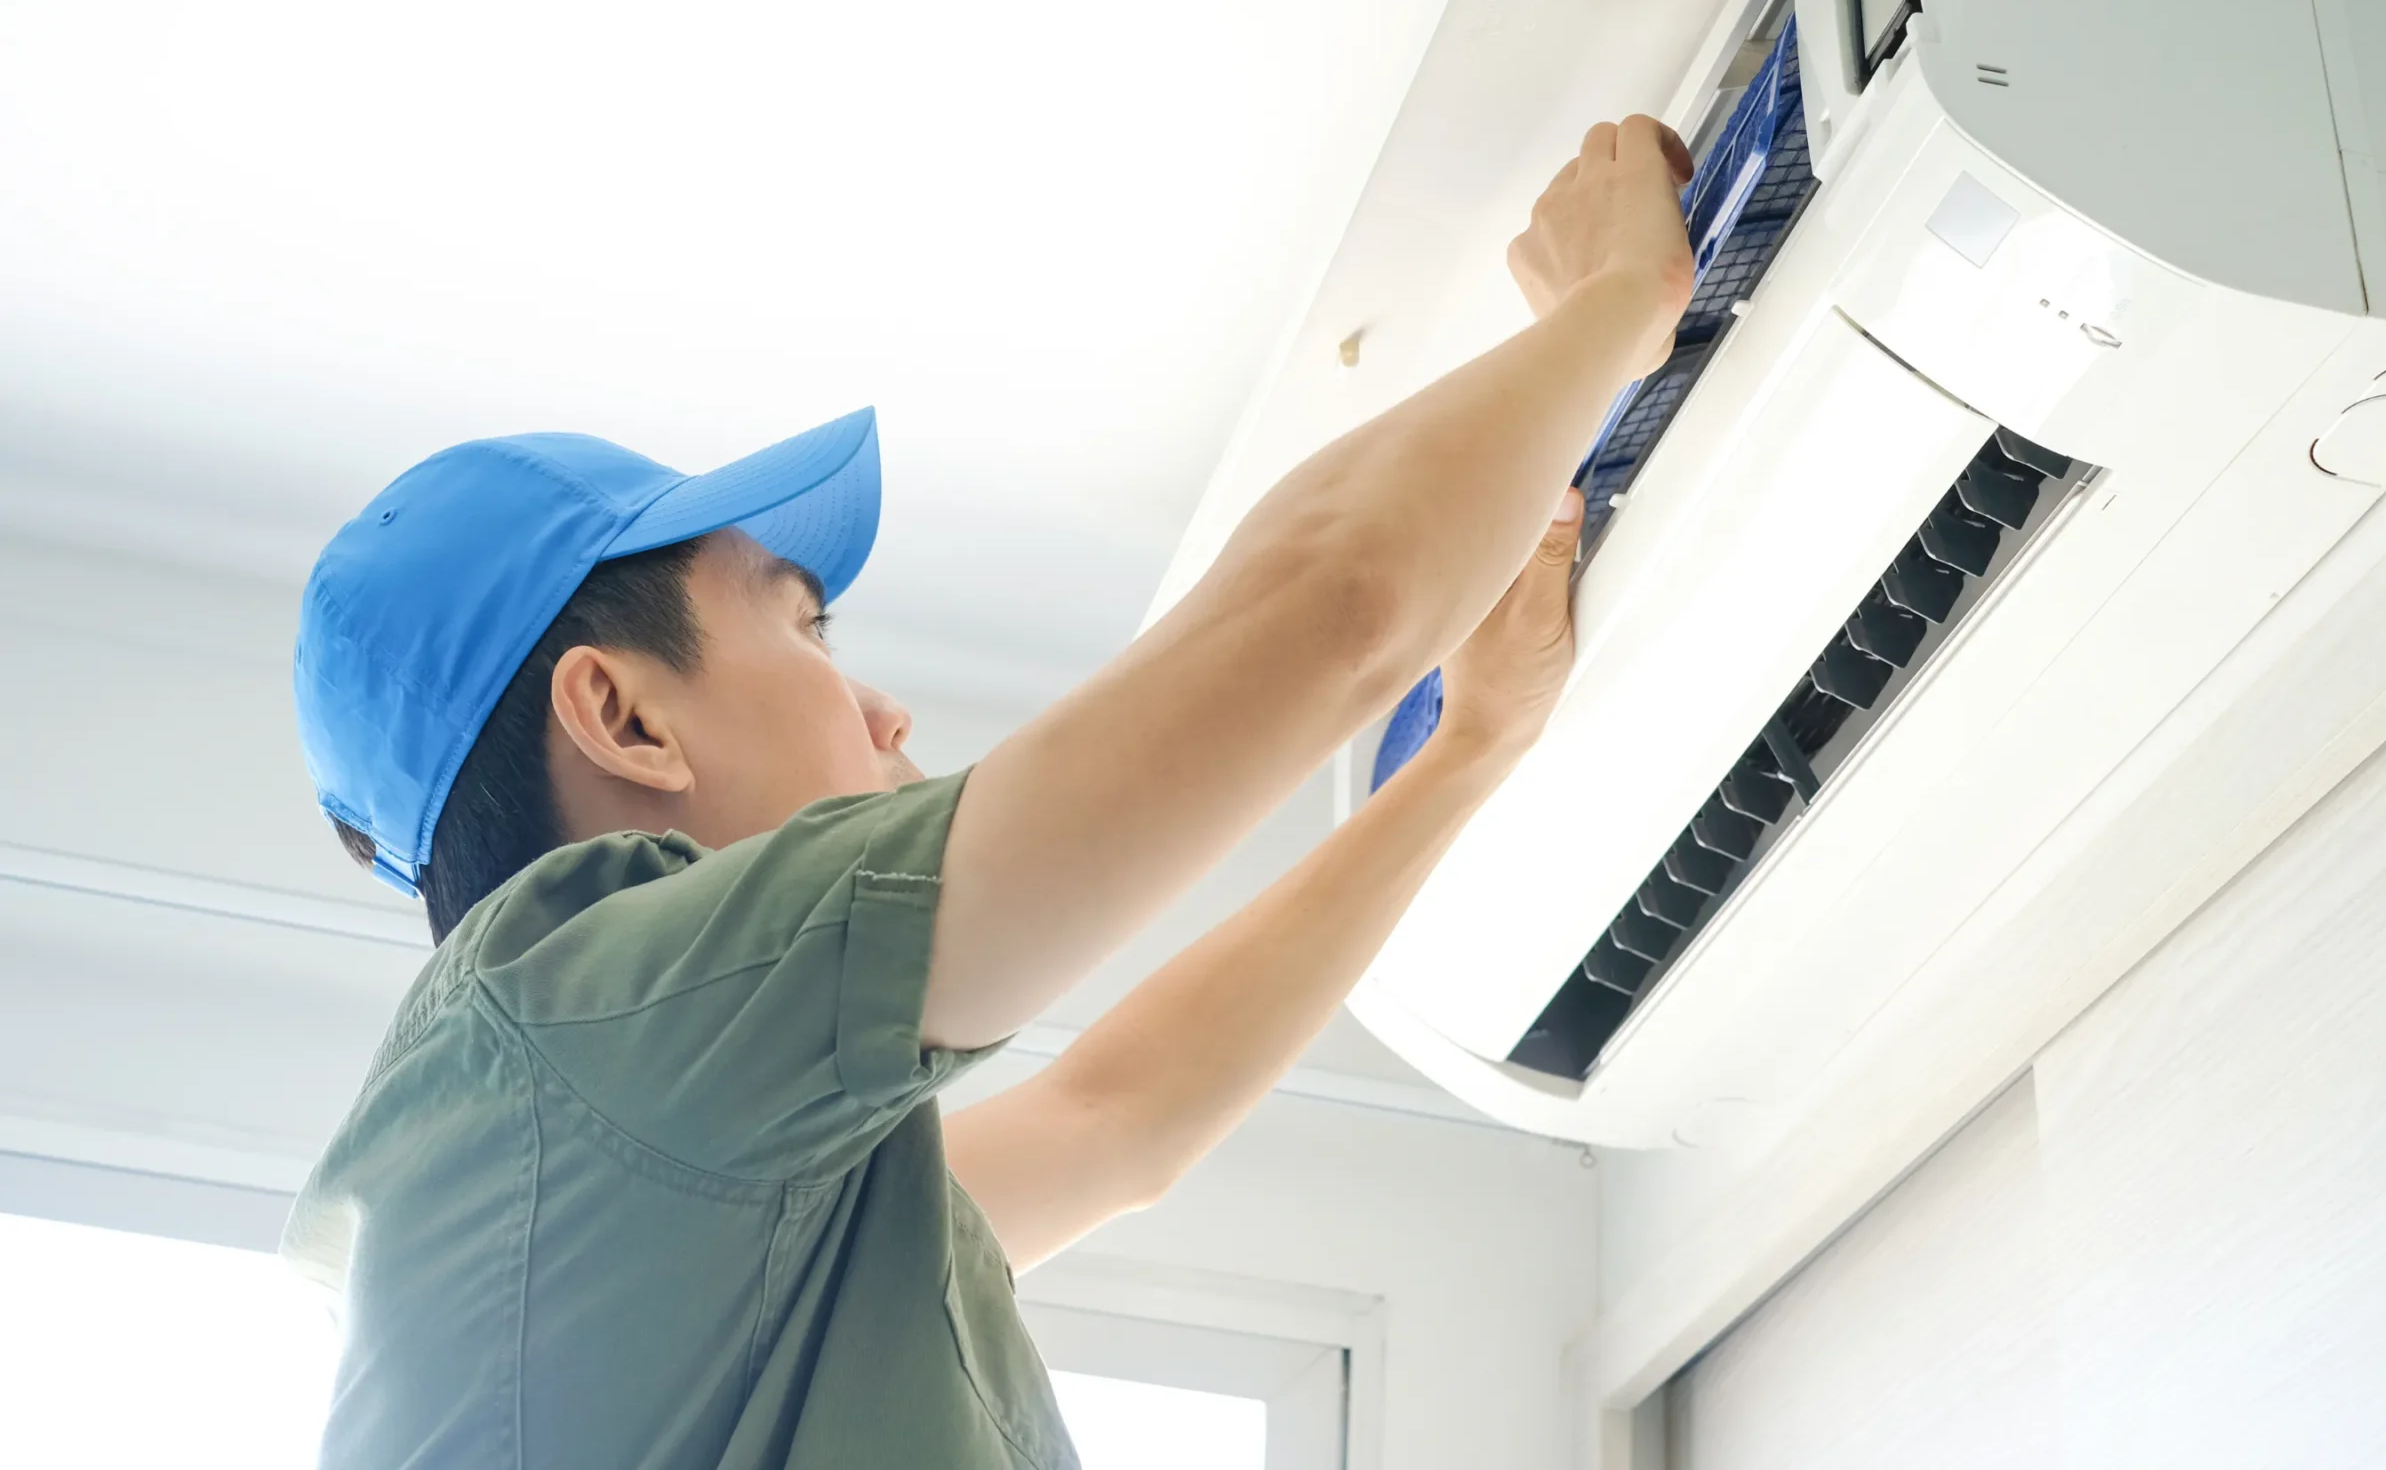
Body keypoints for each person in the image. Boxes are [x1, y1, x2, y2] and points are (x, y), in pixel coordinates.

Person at [282, 114, 1698, 1467]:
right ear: (624, 714)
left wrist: (1469, 750)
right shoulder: (584, 1025)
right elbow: (1334, 607)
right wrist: (1613, 308)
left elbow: (1117, 1119)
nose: (881, 706)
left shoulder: (650, 1181)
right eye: (803, 625)